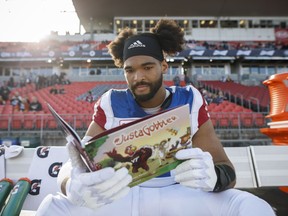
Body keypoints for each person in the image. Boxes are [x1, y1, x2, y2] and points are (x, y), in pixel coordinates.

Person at [36, 19, 274, 216]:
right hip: (122, 194)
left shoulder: (190, 98)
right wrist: (72, 183)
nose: (138, 77)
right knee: (52, 207)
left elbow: (226, 169)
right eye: (130, 70)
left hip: (180, 192)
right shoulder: (111, 101)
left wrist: (213, 178)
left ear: (164, 66)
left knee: (253, 207)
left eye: (147, 67)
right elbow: (79, 160)